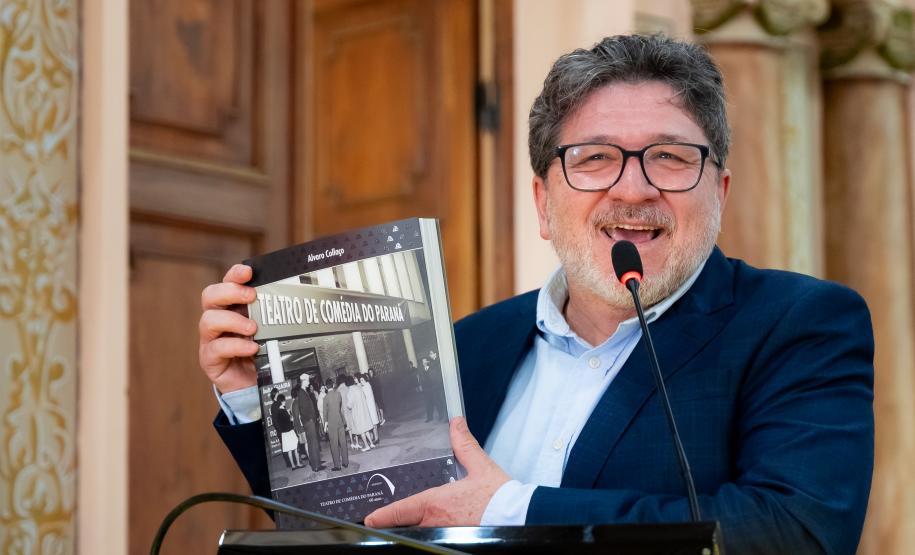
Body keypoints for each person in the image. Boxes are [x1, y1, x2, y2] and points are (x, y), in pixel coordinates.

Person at [201, 34, 874, 554]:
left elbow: (795, 532)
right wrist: (245, 395)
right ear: (543, 203)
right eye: (593, 158)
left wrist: (505, 509)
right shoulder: (467, 344)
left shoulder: (798, 323)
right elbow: (358, 527)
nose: (632, 188)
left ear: (717, 191)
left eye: (670, 156)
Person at [291, 380, 323, 472]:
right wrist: (310, 419)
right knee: (311, 444)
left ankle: (316, 463)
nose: (309, 382)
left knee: (311, 443)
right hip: (306, 424)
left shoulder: (300, 395)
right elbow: (300, 414)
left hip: (306, 424)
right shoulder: (299, 397)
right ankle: (315, 464)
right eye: (307, 380)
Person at [320, 377, 348, 471]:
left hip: (331, 423)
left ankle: (337, 465)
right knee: (343, 442)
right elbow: (339, 407)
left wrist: (325, 426)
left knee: (334, 444)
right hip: (340, 420)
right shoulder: (338, 394)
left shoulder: (325, 398)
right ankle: (345, 462)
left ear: (326, 387)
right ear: (333, 385)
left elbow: (325, 413)